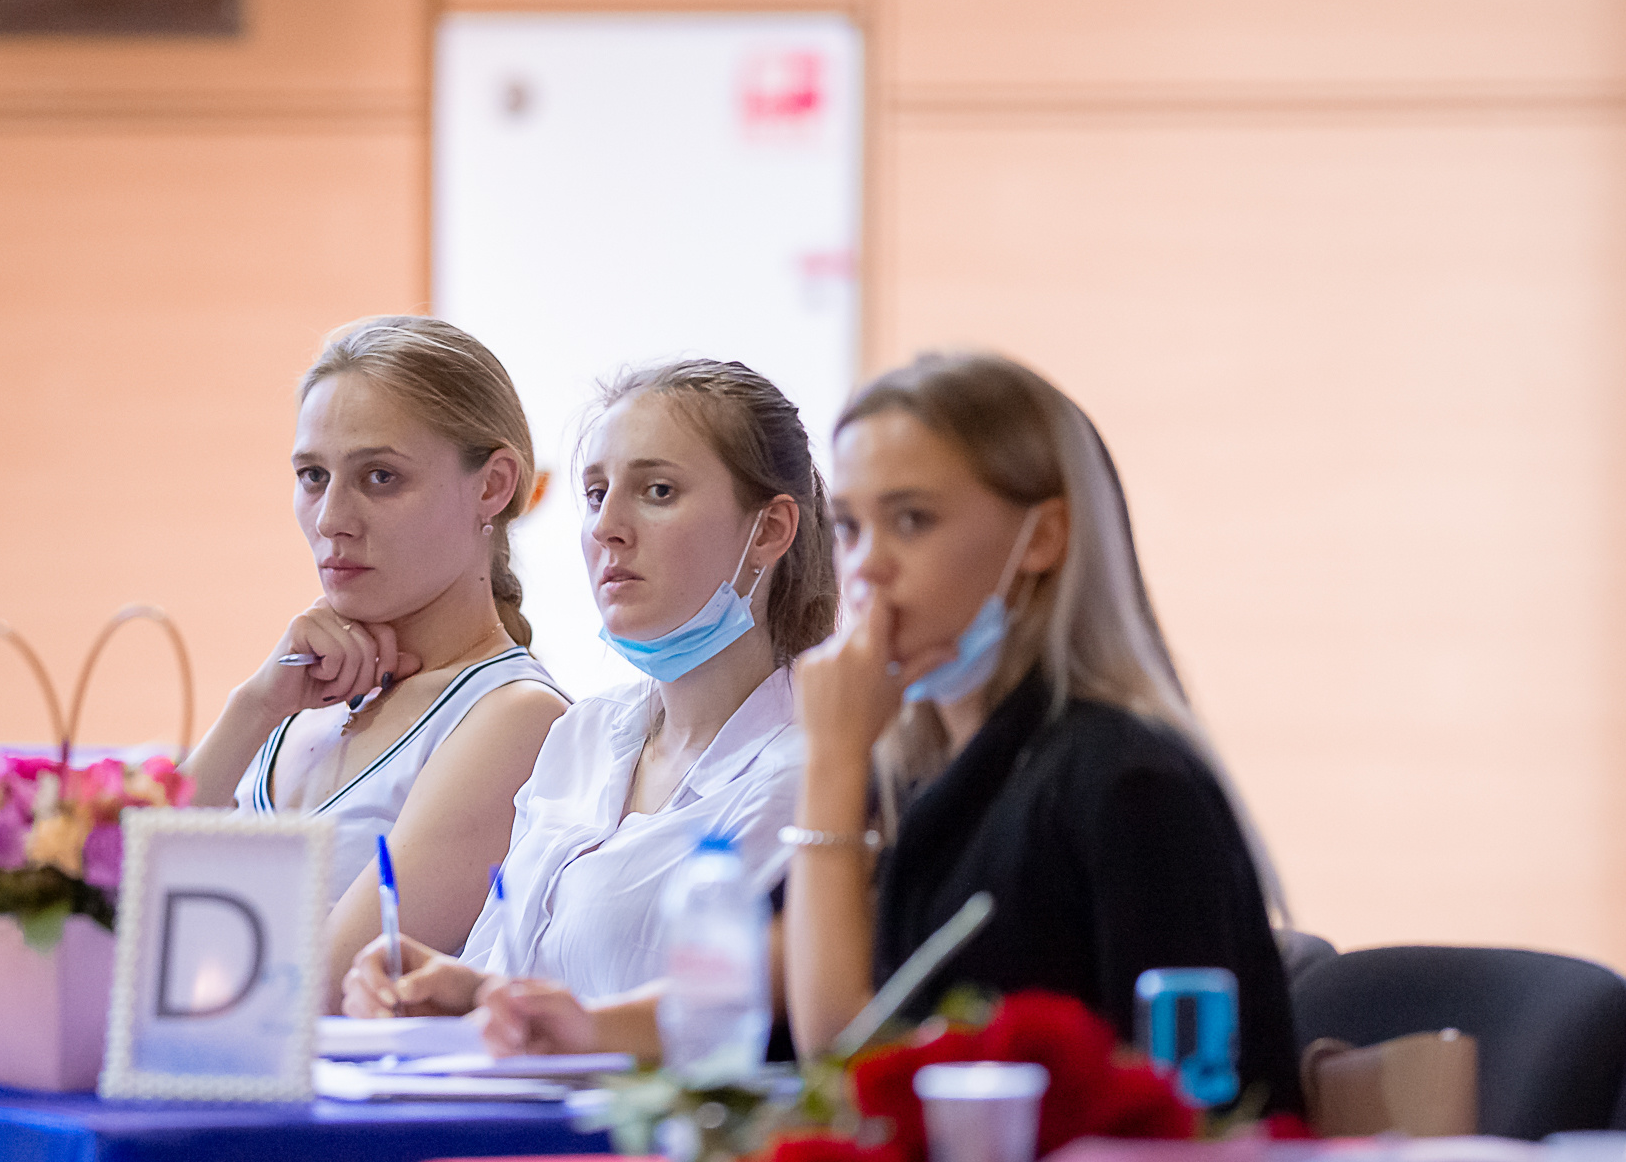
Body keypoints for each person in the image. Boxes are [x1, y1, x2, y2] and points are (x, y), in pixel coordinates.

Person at [783, 349, 1300, 1109]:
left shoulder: (1127, 781)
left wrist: (831, 758)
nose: (866, 567)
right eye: (849, 526)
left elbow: (841, 1062)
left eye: (911, 520)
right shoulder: (927, 773)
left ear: (1046, 537)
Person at [340, 360, 836, 1061]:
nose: (607, 527)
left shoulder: (811, 767)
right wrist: (463, 990)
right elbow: (524, 981)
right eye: (596, 493)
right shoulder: (585, 734)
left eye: (657, 491)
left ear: (768, 529)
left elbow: (729, 1018)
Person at [182, 316, 568, 995]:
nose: (331, 517)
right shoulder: (292, 704)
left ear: (493, 484)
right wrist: (251, 708)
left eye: (380, 476)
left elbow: (314, 992)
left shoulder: (516, 717)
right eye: (312, 475)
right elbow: (105, 913)